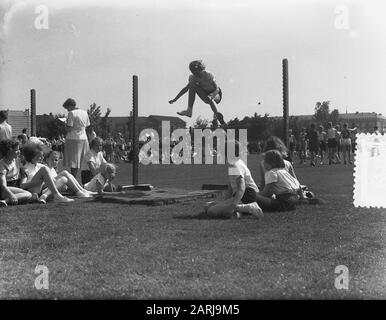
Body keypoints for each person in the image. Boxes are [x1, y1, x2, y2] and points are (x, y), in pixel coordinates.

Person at [169, 60, 225, 125]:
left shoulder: (208, 74)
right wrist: (175, 99)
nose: (196, 75)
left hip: (216, 93)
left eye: (198, 73)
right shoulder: (193, 77)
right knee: (192, 85)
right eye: (194, 73)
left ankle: (217, 115)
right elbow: (185, 89)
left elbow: (217, 89)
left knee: (211, 100)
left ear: (201, 70)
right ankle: (189, 110)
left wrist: (212, 95)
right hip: (205, 93)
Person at [0, 139, 36, 207]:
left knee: (33, 195)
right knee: (28, 194)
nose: (19, 152)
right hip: (5, 189)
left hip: (16, 186)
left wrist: (22, 169)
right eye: (16, 150)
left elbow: (22, 168)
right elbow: (3, 185)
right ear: (9, 151)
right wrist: (11, 195)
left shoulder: (16, 160)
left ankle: (9, 200)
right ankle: (5, 201)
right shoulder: (2, 164)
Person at [62, 98, 90, 178]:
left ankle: (73, 180)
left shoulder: (71, 113)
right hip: (84, 138)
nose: (67, 110)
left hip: (73, 139)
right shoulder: (84, 112)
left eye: (67, 108)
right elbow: (87, 125)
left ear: (70, 106)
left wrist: (65, 123)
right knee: (84, 161)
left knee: (74, 163)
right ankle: (86, 179)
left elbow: (69, 129)